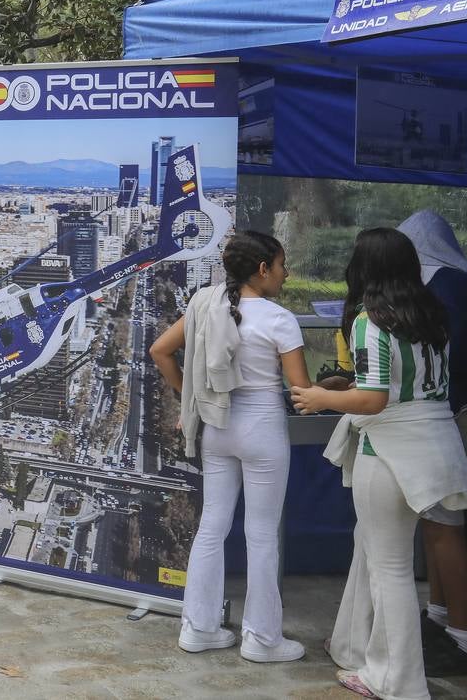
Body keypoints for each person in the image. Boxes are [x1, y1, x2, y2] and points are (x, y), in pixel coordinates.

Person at [293, 228, 467, 700]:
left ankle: (395, 681)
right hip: (441, 449)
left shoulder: (369, 322)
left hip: (390, 449)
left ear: (363, 268)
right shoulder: (435, 316)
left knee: (389, 568)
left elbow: (373, 400)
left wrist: (318, 397)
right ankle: (375, 661)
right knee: (393, 562)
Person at [150, 231, 311, 662]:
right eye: (281, 264)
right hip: (262, 427)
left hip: (217, 425)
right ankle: (262, 640)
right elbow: (301, 392)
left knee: (211, 527)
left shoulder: (205, 304)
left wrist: (192, 395)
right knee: (260, 535)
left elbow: (160, 350)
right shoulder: (280, 319)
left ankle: (198, 628)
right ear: (262, 269)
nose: (285, 272)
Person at [396, 210, 467, 678]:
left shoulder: (448, 286)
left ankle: (462, 636)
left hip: (456, 416)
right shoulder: (448, 280)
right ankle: (442, 615)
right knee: (438, 523)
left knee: (446, 526)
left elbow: (448, 356)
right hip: (447, 414)